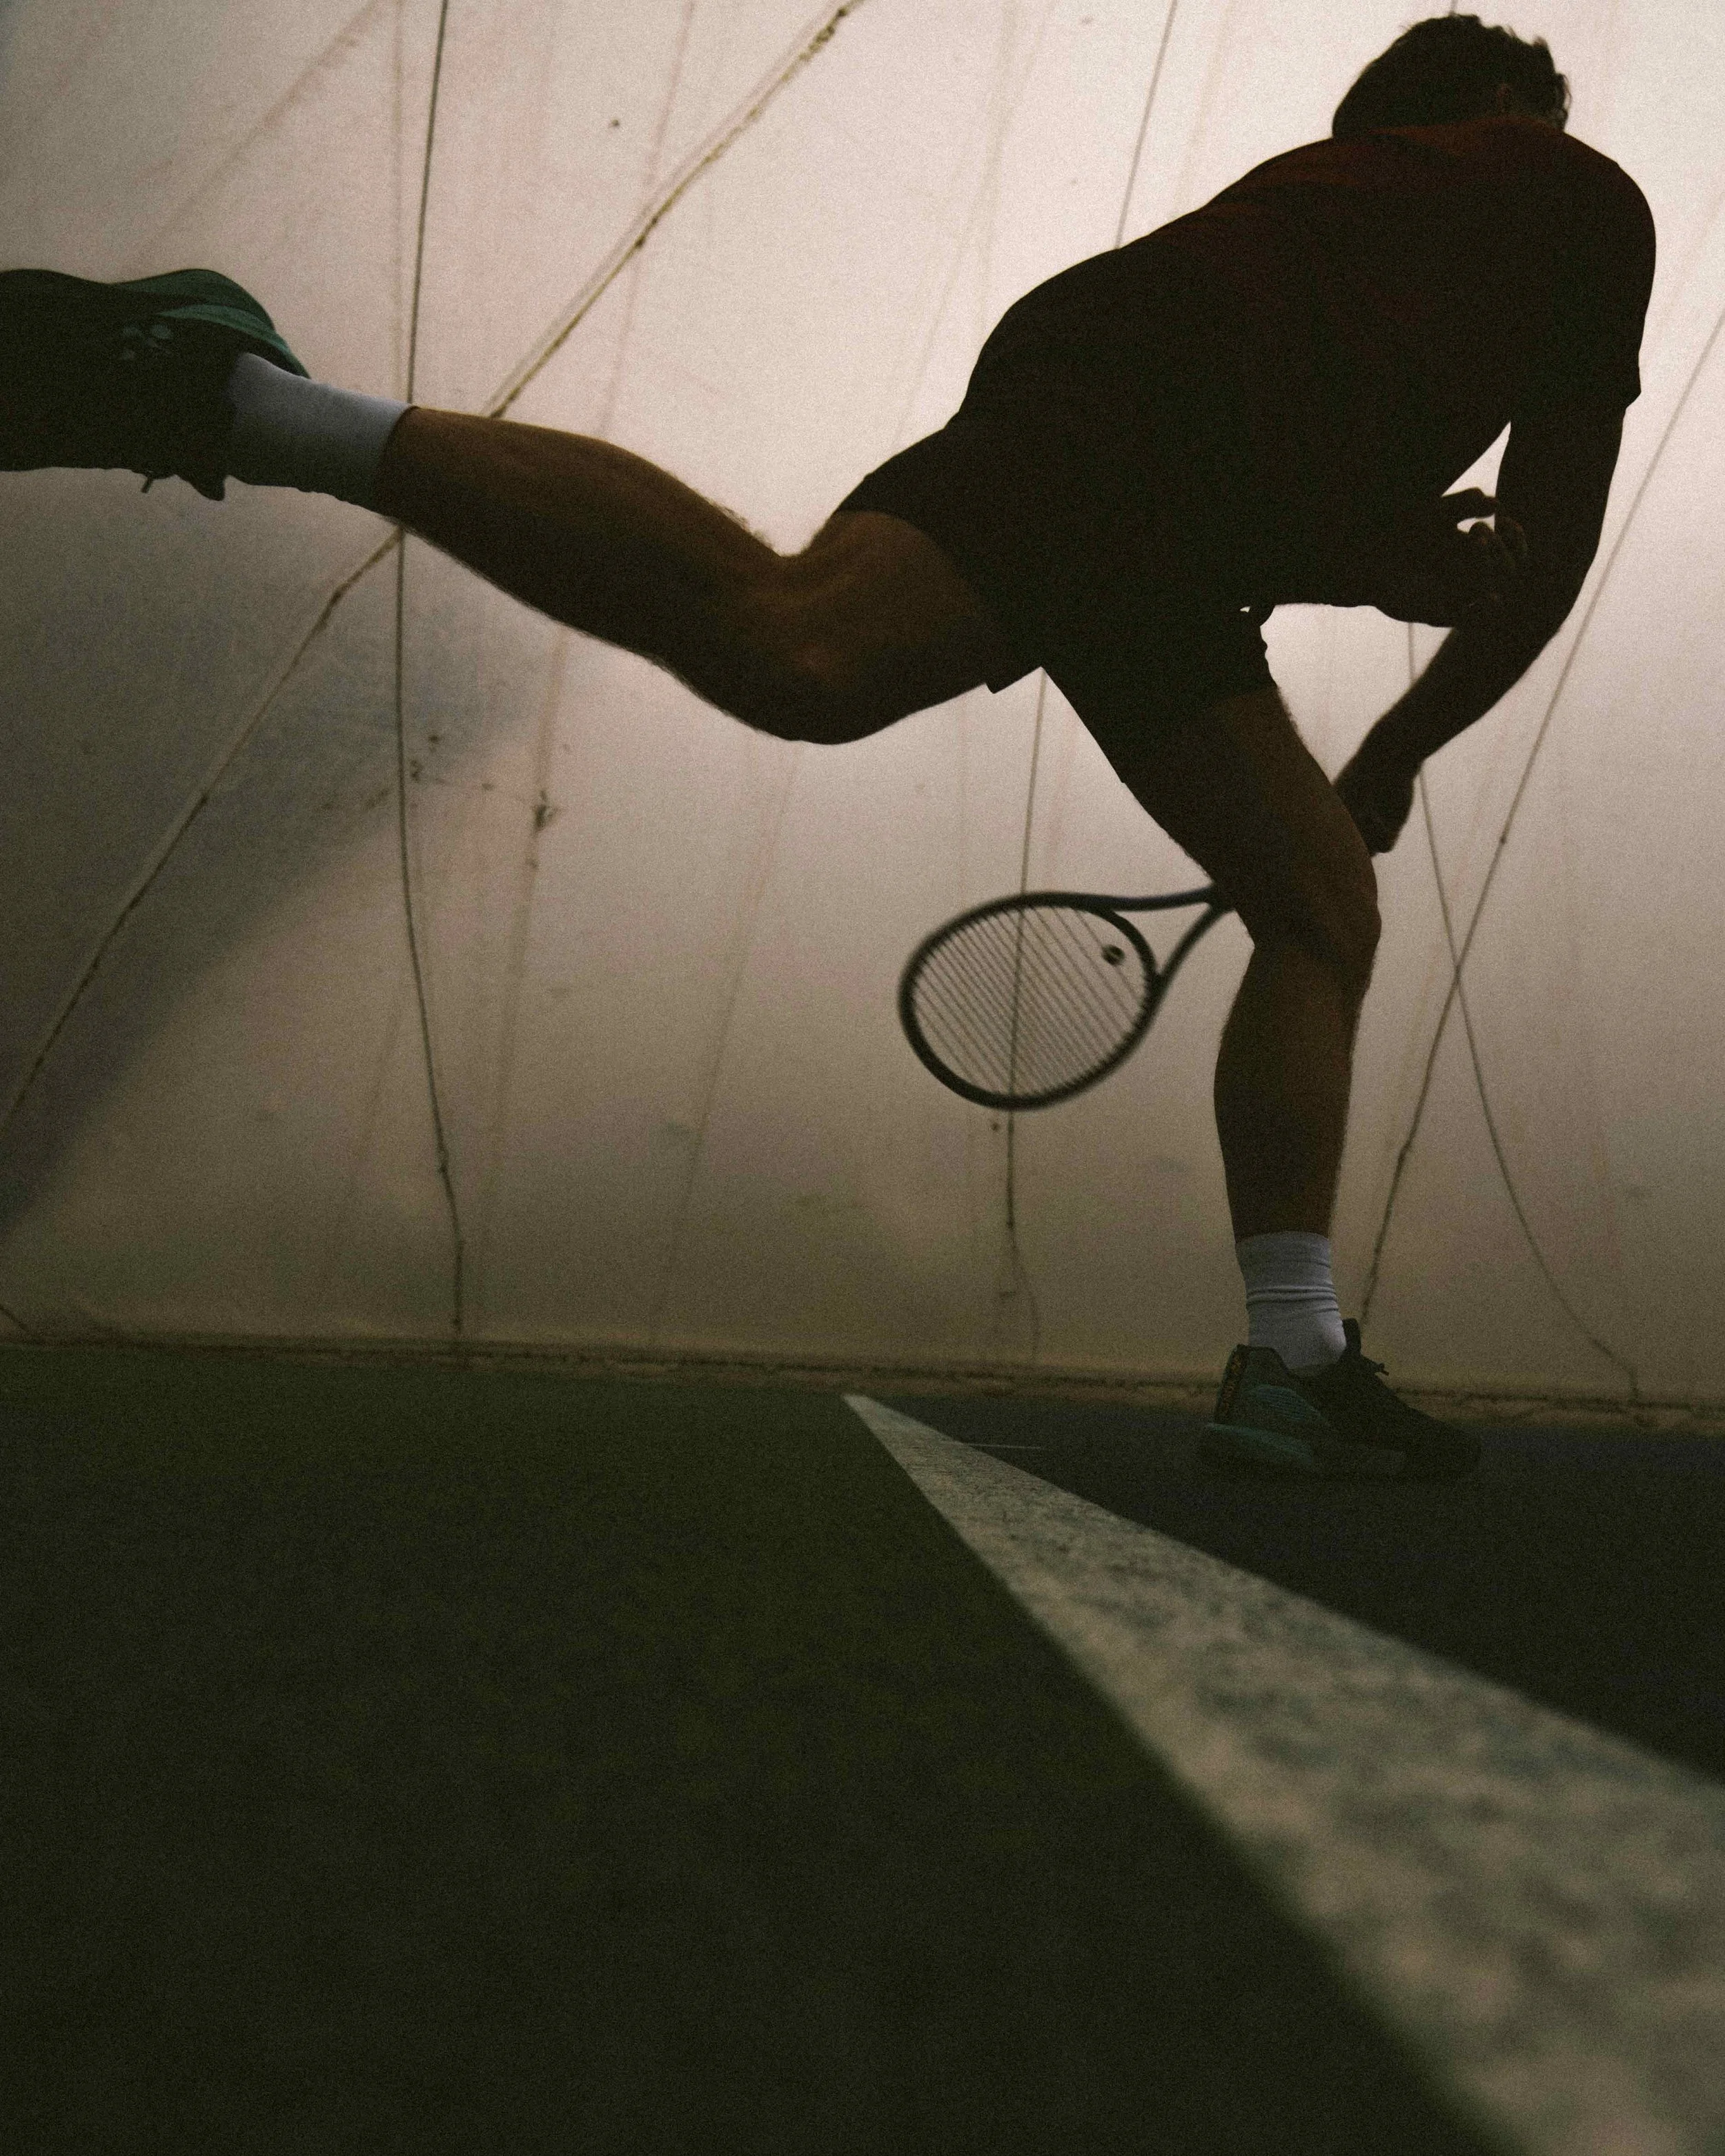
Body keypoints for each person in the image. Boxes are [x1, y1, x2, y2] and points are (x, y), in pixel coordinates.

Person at [1, 15, 1653, 1480]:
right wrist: (1405, 742)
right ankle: (233, 394)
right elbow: (1546, 553)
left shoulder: (1336, 237)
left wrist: (1363, 564)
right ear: (1496, 112)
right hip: (1141, 428)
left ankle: (1292, 1359)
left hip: (1144, 460)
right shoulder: (1566, 191)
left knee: (1311, 903)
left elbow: (1236, 498)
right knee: (799, 646)